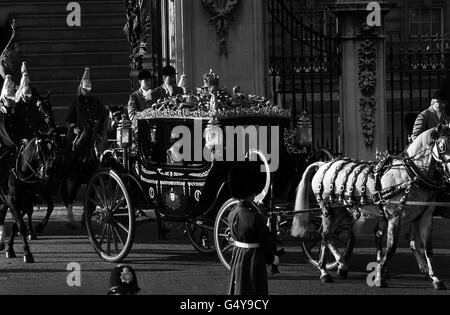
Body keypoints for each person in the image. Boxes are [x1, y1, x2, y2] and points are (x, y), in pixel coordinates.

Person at [227, 161, 279, 296]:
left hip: (238, 255)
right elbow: (265, 240)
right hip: (254, 259)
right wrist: (272, 258)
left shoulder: (232, 213)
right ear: (250, 191)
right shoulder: (255, 216)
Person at [65, 67, 108, 159]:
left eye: (89, 90)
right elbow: (69, 120)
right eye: (85, 89)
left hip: (94, 133)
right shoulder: (76, 103)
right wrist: (73, 128)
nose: (87, 91)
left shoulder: (96, 101)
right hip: (80, 133)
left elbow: (103, 114)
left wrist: (98, 123)